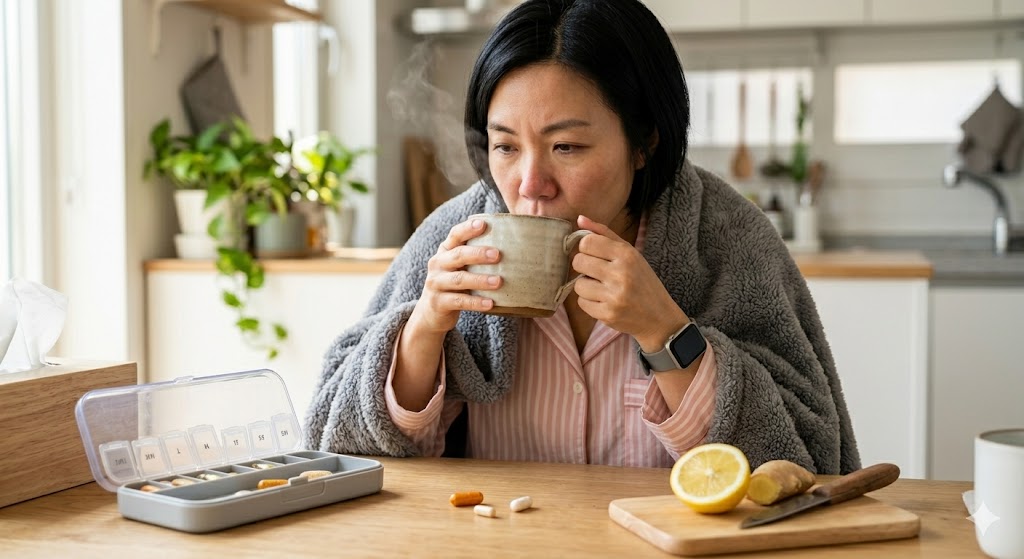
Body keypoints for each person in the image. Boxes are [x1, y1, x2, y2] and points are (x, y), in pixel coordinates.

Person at [305, 0, 860, 474]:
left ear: (644, 144)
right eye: (506, 146)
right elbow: (340, 445)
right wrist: (424, 331)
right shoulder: (454, 236)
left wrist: (666, 332)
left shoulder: (728, 238)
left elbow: (804, 465)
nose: (530, 184)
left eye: (566, 147)